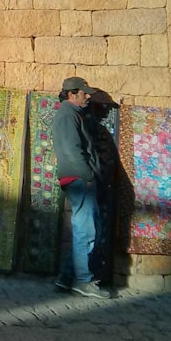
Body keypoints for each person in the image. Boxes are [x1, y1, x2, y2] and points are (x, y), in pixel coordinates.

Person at [52, 76, 111, 299]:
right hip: (79, 177)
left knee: (84, 227)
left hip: (78, 177)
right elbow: (71, 148)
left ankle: (67, 277)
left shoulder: (72, 115)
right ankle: (83, 281)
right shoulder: (68, 115)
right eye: (83, 92)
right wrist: (87, 175)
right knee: (86, 230)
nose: (88, 96)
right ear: (71, 93)